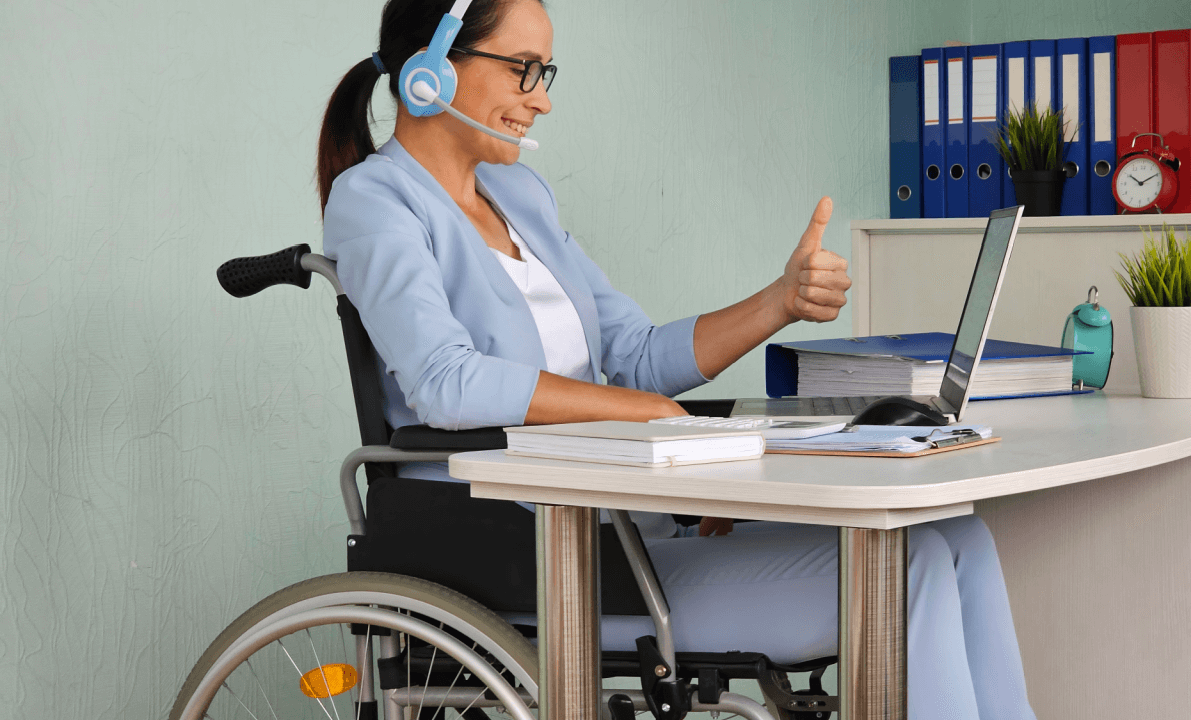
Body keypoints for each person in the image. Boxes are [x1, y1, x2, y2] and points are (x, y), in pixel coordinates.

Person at [319, 1, 1037, 718]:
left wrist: (779, 302)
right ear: (429, 69)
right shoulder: (375, 201)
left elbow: (633, 357)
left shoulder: (520, 196)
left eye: (546, 72)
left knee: (959, 536)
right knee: (908, 566)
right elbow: (447, 383)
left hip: (620, 526)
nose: (541, 99)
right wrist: (652, 418)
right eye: (523, 70)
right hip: (533, 554)